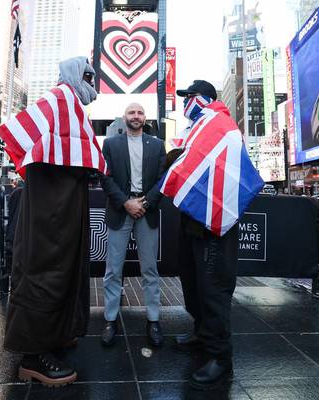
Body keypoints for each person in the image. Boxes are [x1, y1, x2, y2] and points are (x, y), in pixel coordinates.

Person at [0, 56, 106, 387]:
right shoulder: (60, 98)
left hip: (65, 201)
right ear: (74, 75)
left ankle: (57, 333)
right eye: (87, 76)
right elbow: (21, 132)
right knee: (47, 267)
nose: (92, 83)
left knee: (65, 267)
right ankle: (33, 356)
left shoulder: (71, 103)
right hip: (51, 206)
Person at [162, 80, 262, 390]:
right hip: (192, 221)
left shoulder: (220, 124)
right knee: (192, 282)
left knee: (213, 289)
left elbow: (193, 165)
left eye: (190, 97)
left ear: (204, 98)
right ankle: (201, 332)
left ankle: (220, 357)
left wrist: (179, 161)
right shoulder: (198, 129)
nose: (185, 102)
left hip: (213, 225)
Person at [100, 103, 167, 347]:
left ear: (145, 118)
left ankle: (153, 320)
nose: (136, 116)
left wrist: (145, 203)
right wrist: (126, 203)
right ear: (124, 117)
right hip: (121, 209)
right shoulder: (111, 144)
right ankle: (110, 319)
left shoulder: (157, 145)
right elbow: (105, 177)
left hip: (147, 210)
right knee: (113, 269)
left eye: (139, 113)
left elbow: (163, 180)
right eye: (131, 112)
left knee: (149, 269)